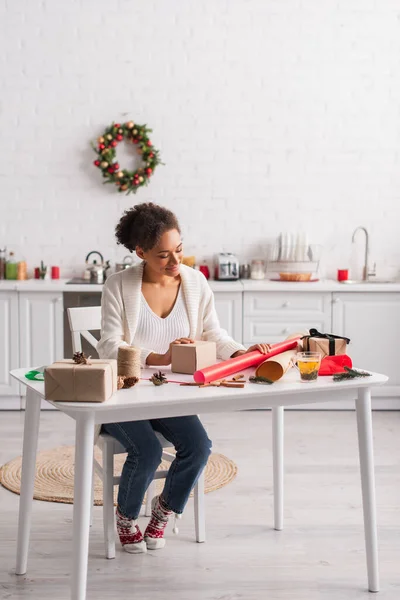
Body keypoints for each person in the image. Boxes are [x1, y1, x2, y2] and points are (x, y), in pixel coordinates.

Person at [97, 202, 271, 554]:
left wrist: (242, 353)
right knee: (146, 450)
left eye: (179, 250)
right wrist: (157, 357)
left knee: (199, 446)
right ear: (140, 252)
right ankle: (126, 517)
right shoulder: (118, 286)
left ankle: (164, 510)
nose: (176, 262)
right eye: (164, 256)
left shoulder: (195, 283)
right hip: (124, 392)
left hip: (171, 392)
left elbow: (214, 334)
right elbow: (108, 345)